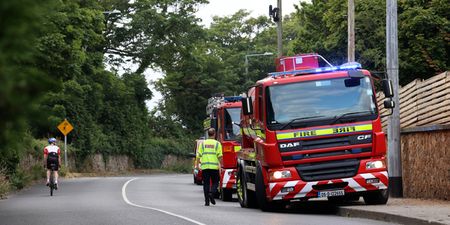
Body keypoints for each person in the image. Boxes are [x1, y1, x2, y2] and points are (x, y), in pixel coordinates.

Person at [196, 128, 222, 206]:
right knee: (215, 182)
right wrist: (220, 166)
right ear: (214, 134)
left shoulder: (203, 144)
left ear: (208, 134)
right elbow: (220, 157)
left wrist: (197, 165)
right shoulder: (217, 144)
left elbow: (198, 155)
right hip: (214, 167)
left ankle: (207, 202)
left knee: (206, 184)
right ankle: (212, 193)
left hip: (205, 167)